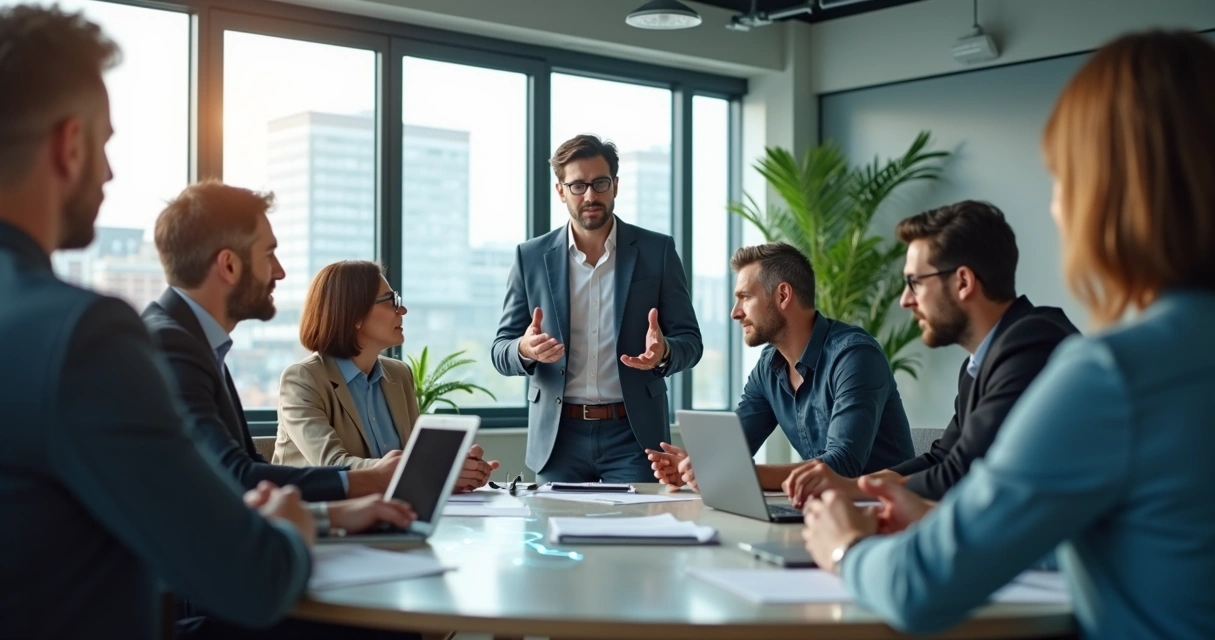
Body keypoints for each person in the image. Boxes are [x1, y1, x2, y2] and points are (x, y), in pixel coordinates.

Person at [0, 7, 409, 637]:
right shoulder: (86, 337)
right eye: (105, 143)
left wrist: (323, 518)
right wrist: (302, 528)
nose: (109, 172)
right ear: (70, 144)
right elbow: (248, 572)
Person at [801, 30, 1215, 639]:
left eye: (1063, 181)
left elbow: (919, 589)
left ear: (1109, 195)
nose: (1056, 208)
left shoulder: (1109, 374)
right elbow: (1155, 537)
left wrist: (844, 548)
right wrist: (947, 521)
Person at [783, 201, 1079, 506]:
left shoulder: (1033, 345)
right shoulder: (979, 364)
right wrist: (857, 484)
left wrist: (861, 491)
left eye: (915, 282)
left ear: (963, 282)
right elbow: (943, 456)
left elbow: (961, 473)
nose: (905, 300)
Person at [143, 181, 400, 501]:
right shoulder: (170, 345)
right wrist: (369, 481)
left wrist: (334, 516)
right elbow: (234, 476)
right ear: (229, 265)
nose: (280, 273)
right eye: (269, 254)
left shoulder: (197, 341)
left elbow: (250, 465)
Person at [490, 134, 703, 483]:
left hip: (634, 437)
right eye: (577, 185)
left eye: (600, 183)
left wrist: (664, 352)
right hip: (559, 437)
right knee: (556, 537)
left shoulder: (657, 251)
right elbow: (501, 350)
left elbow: (691, 343)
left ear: (615, 186)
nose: (590, 195)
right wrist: (524, 349)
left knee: (636, 537)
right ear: (561, 191)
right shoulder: (529, 258)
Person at [650, 243, 914, 491]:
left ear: (783, 295)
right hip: (822, 509)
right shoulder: (769, 367)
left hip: (885, 513)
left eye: (745, 297)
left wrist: (738, 473)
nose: (735, 312)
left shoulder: (854, 356)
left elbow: (844, 464)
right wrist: (696, 467)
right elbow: (736, 448)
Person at [276, 260, 497, 489]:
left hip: (388, 513)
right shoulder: (302, 379)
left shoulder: (399, 374)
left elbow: (415, 460)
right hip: (315, 517)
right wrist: (432, 472)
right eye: (391, 301)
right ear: (355, 316)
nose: (402, 310)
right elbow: (333, 466)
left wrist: (452, 471)